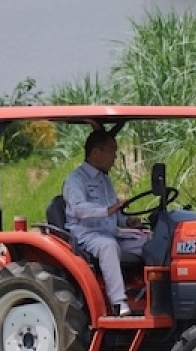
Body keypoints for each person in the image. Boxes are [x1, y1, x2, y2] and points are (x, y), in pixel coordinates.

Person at [62, 128, 149, 315]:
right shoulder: (75, 179)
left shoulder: (105, 180)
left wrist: (128, 221)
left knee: (150, 242)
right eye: (112, 151)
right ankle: (119, 303)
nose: (115, 157)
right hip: (86, 235)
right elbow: (79, 209)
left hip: (109, 232)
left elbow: (115, 216)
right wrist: (108, 210)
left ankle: (148, 291)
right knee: (108, 246)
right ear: (96, 153)